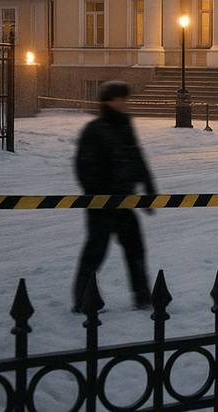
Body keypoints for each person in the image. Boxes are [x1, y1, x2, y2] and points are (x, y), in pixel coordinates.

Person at [72, 81, 156, 312]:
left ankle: (142, 297)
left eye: (123, 99)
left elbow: (136, 157)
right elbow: (83, 166)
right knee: (95, 252)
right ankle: (82, 299)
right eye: (118, 99)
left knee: (135, 249)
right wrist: (98, 195)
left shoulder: (124, 126)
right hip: (101, 205)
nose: (122, 103)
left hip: (124, 202)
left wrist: (149, 187)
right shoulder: (95, 130)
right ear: (107, 102)